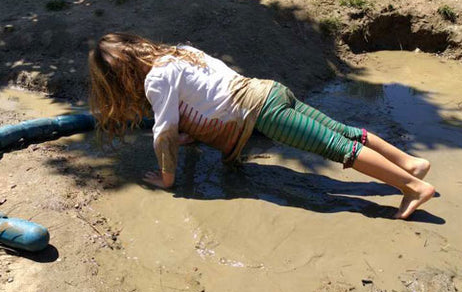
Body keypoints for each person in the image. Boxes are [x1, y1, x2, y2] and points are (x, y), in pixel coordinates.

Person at [89, 32, 435, 220]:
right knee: (342, 130)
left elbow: (162, 130)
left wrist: (167, 178)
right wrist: (191, 135)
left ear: (121, 76)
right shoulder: (178, 51)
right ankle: (410, 163)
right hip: (269, 91)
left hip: (263, 112)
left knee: (337, 148)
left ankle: (413, 188)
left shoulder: (155, 81)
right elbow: (208, 92)